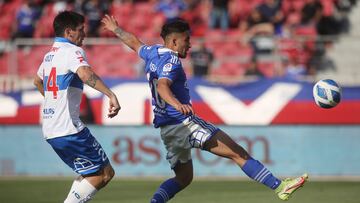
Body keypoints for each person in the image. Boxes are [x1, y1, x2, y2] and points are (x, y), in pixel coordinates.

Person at [102, 15, 308, 203]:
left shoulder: (152, 52)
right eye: (186, 40)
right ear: (174, 41)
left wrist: (115, 30)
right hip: (183, 123)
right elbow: (163, 86)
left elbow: (133, 42)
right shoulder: (172, 60)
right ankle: (280, 186)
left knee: (183, 178)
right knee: (238, 153)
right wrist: (178, 104)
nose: (189, 45)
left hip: (167, 129)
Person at [33, 11, 120, 203]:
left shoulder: (49, 56)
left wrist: (53, 103)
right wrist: (110, 94)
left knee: (91, 174)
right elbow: (85, 73)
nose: (84, 34)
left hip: (51, 128)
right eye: (80, 30)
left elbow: (37, 80)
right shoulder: (72, 51)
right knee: (103, 174)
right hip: (69, 128)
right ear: (68, 32)